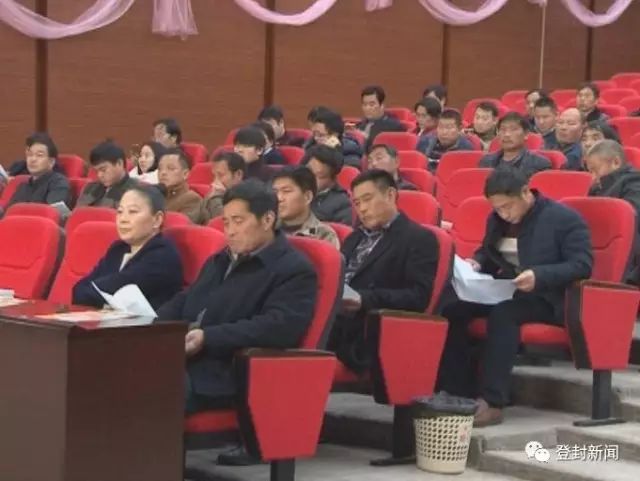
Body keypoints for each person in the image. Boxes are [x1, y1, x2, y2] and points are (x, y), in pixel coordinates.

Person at [437, 168, 592, 427]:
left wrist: (540, 275)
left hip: (549, 297)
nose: (504, 214)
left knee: (504, 315)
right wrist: (477, 263)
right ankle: (458, 390)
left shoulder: (563, 218)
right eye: (497, 208)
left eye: (507, 206)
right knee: (452, 309)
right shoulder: (497, 220)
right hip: (509, 289)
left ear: (525, 192)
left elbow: (582, 265)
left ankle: (493, 401)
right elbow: (488, 252)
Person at [156, 179, 317, 409]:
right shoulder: (220, 259)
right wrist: (154, 327)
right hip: (184, 358)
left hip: (224, 372)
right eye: (226, 222)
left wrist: (207, 338)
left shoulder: (294, 269)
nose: (229, 231)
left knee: (147, 388)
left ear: (267, 220)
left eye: (238, 221)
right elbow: (186, 299)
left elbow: (277, 328)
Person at [328, 170, 439, 372]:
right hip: (334, 318)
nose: (362, 209)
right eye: (357, 203)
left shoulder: (418, 238)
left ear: (390, 195)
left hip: (366, 329)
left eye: (367, 199)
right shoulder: (355, 237)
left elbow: (418, 297)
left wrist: (363, 299)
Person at [73, 184, 183, 309]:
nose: (123, 219)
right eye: (120, 212)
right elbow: (79, 290)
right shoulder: (118, 249)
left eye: (133, 212)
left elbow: (114, 288)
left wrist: (94, 294)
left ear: (157, 220)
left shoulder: (163, 256)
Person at [586, 140, 640, 283]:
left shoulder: (635, 181)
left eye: (595, 170)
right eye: (590, 171)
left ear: (616, 162)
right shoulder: (596, 188)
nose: (593, 177)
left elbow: (633, 215)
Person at [272, 166, 340, 248]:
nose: (279, 198)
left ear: (307, 197)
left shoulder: (324, 235)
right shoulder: (267, 228)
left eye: (286, 191)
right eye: (275, 192)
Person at [6, 132, 71, 211]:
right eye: (30, 155)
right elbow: (9, 212)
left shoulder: (59, 183)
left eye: (39, 155)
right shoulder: (23, 186)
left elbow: (52, 213)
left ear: (51, 162)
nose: (33, 159)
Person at [479, 113, 551, 179]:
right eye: (503, 129)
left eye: (513, 129)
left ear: (526, 134)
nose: (507, 134)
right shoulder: (486, 161)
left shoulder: (539, 164)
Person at [77, 140, 138, 208]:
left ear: (119, 163)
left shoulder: (136, 192)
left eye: (103, 170)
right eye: (96, 171)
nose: (99, 175)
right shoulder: (90, 188)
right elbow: (77, 212)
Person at [303, 144, 352, 225]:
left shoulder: (342, 204)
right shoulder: (294, 191)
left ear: (333, 179)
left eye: (319, 176)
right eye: (308, 172)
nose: (310, 178)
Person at [198, 151, 246, 224]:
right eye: (214, 176)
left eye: (220, 175)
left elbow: (225, 224)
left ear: (238, 174)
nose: (215, 181)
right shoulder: (213, 194)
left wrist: (216, 197)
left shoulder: (248, 199)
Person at [157, 148, 202, 223]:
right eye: (160, 169)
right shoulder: (154, 195)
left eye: (171, 168)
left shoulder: (192, 199)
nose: (163, 172)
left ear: (185, 174)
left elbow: (181, 227)